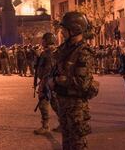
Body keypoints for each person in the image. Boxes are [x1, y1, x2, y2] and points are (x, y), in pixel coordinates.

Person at [48, 11, 99, 150]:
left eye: (64, 29)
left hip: (76, 106)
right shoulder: (65, 49)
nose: (62, 32)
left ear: (75, 29)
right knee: (67, 142)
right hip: (63, 102)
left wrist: (59, 80)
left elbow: (83, 83)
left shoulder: (83, 52)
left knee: (78, 144)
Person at [34, 32, 59, 135]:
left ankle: (45, 126)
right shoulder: (54, 51)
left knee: (43, 104)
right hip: (52, 82)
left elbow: (48, 69)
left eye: (43, 40)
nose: (42, 42)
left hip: (47, 82)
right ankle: (63, 123)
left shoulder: (47, 53)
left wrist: (43, 84)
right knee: (55, 104)